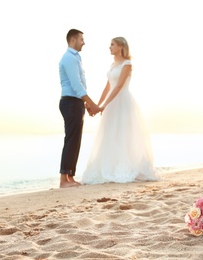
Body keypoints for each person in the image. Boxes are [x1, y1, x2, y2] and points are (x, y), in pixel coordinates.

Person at [81, 37, 160, 184]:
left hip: (123, 103)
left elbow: (118, 87)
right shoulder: (112, 64)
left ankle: (124, 168)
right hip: (111, 103)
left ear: (121, 46)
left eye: (112, 45)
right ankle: (110, 167)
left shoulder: (127, 64)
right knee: (110, 134)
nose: (109, 47)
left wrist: (103, 106)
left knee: (123, 135)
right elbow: (108, 86)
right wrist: (97, 105)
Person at [58, 29, 100, 188]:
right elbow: (76, 86)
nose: (84, 42)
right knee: (71, 139)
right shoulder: (69, 58)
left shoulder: (76, 58)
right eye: (82, 39)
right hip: (70, 102)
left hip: (76, 102)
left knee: (75, 140)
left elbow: (80, 85)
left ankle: (69, 177)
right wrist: (93, 104)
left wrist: (86, 104)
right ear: (73, 40)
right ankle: (63, 180)